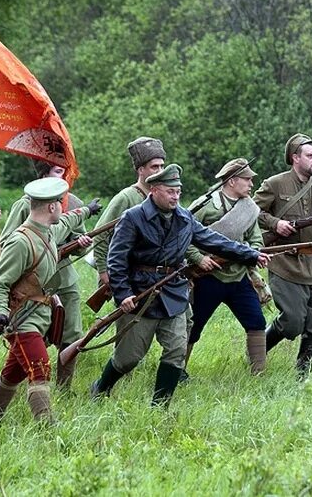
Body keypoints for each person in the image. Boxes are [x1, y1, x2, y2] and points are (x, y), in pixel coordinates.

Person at [90, 164, 268, 405]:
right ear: (153, 190)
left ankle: (160, 406)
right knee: (128, 358)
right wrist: (123, 294)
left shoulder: (184, 218)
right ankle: (101, 388)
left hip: (173, 292)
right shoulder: (133, 217)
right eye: (169, 191)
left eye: (178, 192)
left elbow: (213, 240)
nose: (175, 197)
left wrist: (250, 254)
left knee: (175, 351)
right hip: (142, 294)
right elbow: (116, 259)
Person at [0, 178, 95, 422]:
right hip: (23, 319)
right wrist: (1, 312)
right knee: (40, 369)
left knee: (12, 374)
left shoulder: (47, 231)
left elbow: (67, 221)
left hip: (40, 316)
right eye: (58, 203)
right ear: (51, 207)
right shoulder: (21, 242)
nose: (61, 207)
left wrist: (87, 210)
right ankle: (47, 429)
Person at [254, 133, 312, 378]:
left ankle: (303, 374)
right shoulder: (274, 184)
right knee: (292, 321)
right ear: (295, 158)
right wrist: (275, 223)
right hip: (285, 262)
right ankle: (258, 352)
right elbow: (252, 210)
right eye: (310, 156)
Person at [1, 159, 92, 389]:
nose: (63, 177)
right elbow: (6, 242)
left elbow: (79, 239)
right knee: (32, 335)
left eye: (64, 172)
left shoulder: (73, 202)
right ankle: (28, 383)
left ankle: (64, 389)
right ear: (44, 174)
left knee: (72, 335)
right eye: (58, 171)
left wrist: (79, 244)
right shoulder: (25, 205)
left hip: (64, 278)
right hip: (34, 284)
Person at [184, 158, 269, 375]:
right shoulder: (204, 206)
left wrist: (250, 252)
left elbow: (256, 240)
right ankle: (178, 370)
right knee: (193, 328)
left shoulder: (249, 208)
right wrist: (198, 258)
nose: (251, 184)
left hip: (239, 276)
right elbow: (182, 236)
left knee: (256, 322)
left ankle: (258, 373)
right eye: (247, 179)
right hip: (207, 277)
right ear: (232, 181)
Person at [92, 137, 166, 302]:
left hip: (157, 276)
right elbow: (100, 235)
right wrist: (104, 272)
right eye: (154, 167)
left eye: (162, 166)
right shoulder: (126, 197)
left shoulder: (165, 195)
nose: (160, 171)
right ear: (141, 170)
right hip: (130, 273)